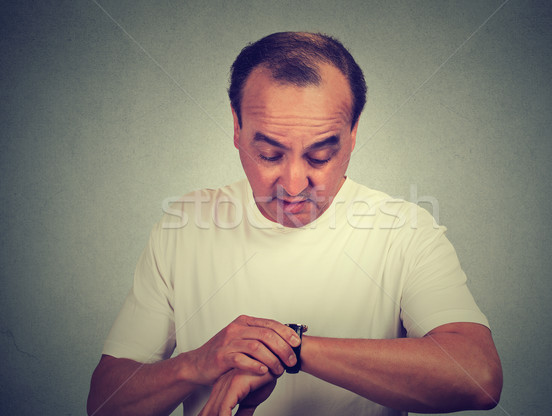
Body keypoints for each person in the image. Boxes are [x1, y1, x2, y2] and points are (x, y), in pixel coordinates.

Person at [87, 32, 502, 416]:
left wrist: (289, 350)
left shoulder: (405, 230)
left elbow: (478, 376)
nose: (293, 183)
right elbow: (104, 402)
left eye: (320, 156)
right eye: (269, 153)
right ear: (236, 127)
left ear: (354, 133)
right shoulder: (182, 225)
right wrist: (200, 363)